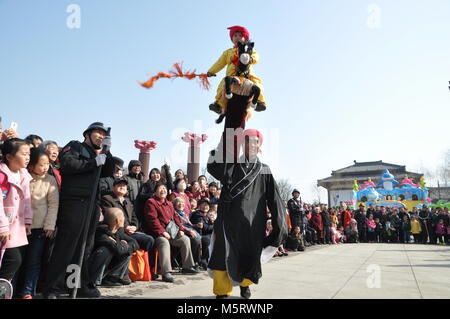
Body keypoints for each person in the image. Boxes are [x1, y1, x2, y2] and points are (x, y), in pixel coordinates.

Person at [206, 129, 287, 299]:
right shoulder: (231, 164)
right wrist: (224, 143)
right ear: (242, 144)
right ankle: (222, 290)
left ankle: (245, 286)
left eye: (255, 141)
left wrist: (279, 224)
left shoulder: (264, 169)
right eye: (247, 141)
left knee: (249, 255)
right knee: (222, 254)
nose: (251, 144)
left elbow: (274, 199)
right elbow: (214, 168)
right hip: (228, 219)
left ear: (259, 146)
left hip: (253, 222)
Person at [42, 122, 115, 299]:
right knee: (66, 245)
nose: (100, 136)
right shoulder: (74, 146)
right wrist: (93, 162)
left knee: (85, 247)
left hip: (91, 205)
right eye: (98, 133)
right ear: (87, 134)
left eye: (103, 135)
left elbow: (108, 171)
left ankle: (75, 284)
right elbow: (68, 165)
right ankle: (52, 287)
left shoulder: (98, 153)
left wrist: (107, 152)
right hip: (74, 203)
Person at [14, 149, 59, 299]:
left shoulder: (50, 180)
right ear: (31, 165)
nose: (45, 167)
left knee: (34, 261)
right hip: (19, 227)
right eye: (41, 164)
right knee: (17, 260)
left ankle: (27, 291)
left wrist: (49, 225)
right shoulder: (23, 177)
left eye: (47, 164)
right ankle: (11, 288)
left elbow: (53, 205)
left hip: (39, 228)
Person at [144, 183, 198, 283]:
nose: (163, 190)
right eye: (160, 189)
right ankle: (166, 272)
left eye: (164, 188)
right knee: (164, 242)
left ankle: (187, 266)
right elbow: (152, 220)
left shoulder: (169, 203)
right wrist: (162, 232)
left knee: (185, 239)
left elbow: (176, 218)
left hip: (171, 232)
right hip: (157, 233)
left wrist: (181, 230)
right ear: (155, 192)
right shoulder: (151, 202)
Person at [100, 177, 155, 273]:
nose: (122, 187)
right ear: (113, 188)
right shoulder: (107, 199)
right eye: (119, 185)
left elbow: (134, 217)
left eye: (124, 185)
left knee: (149, 240)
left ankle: (147, 270)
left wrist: (134, 226)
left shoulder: (128, 201)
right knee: (138, 242)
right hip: (117, 231)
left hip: (131, 231)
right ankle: (124, 272)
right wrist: (125, 227)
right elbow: (111, 218)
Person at [207, 26, 266, 114]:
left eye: (240, 35)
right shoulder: (228, 52)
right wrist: (211, 71)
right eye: (235, 36)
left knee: (258, 83)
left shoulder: (248, 49)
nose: (237, 37)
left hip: (247, 75)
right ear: (232, 39)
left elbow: (256, 56)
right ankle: (219, 105)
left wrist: (251, 59)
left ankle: (259, 102)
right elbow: (220, 63)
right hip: (232, 75)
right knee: (223, 84)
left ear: (245, 38)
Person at [0, 139, 32, 283]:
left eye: (29, 154)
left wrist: (27, 220)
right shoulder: (2, 175)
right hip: (5, 226)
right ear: (9, 157)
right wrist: (2, 227)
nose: (28, 157)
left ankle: (4, 290)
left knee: (15, 260)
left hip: (16, 227)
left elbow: (27, 200)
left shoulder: (24, 174)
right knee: (13, 260)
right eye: (24, 154)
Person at [88, 208, 138, 287]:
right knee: (105, 251)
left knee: (128, 252)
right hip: (92, 266)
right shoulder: (101, 232)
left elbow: (134, 243)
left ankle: (111, 278)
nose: (124, 219)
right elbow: (118, 249)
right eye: (123, 217)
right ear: (117, 221)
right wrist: (122, 245)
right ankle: (94, 281)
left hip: (109, 266)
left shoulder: (118, 231)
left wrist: (121, 245)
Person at [136, 165, 173, 230]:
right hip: (150, 208)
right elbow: (141, 195)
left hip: (162, 208)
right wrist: (152, 195)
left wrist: (167, 171)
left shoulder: (163, 184)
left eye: (157, 173)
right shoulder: (146, 184)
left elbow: (171, 186)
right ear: (150, 175)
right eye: (153, 173)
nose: (155, 175)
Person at [173, 197, 203, 270]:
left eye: (182, 203)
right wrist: (189, 231)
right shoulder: (174, 213)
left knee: (201, 239)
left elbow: (189, 224)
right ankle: (193, 263)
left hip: (188, 230)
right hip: (180, 232)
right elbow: (178, 225)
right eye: (178, 202)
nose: (181, 204)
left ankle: (197, 262)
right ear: (174, 205)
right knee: (195, 240)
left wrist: (196, 226)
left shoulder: (184, 214)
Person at [190, 198, 214, 266]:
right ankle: (203, 260)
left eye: (207, 205)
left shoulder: (207, 215)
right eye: (203, 205)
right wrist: (214, 226)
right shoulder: (198, 214)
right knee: (207, 239)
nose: (205, 207)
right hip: (198, 234)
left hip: (207, 234)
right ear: (199, 206)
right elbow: (204, 228)